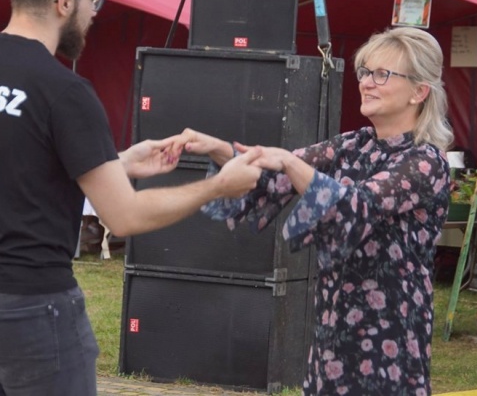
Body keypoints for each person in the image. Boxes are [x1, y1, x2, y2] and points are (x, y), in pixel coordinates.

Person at [0, 0, 263, 396]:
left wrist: (116, 163)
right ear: (64, 1)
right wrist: (218, 185)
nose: (95, 12)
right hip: (26, 307)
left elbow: (7, 167)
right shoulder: (64, 91)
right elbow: (125, 218)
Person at [171, 27, 452, 395]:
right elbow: (273, 175)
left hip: (391, 335)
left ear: (419, 92)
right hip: (335, 330)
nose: (367, 83)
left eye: (383, 74)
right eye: (365, 72)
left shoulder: (425, 162)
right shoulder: (355, 144)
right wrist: (216, 148)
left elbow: (356, 205)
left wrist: (291, 163)